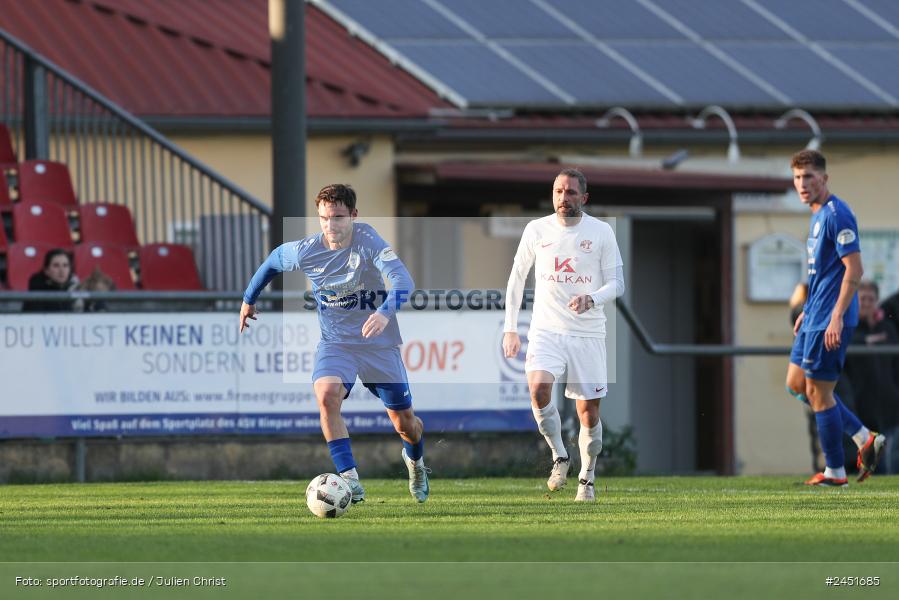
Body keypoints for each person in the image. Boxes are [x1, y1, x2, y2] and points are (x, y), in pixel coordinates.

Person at [239, 183, 429, 503]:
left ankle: (416, 462)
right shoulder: (308, 249)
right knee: (326, 395)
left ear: (353, 215)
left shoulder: (368, 241)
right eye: (325, 218)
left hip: (378, 344)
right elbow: (272, 261)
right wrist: (249, 300)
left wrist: (384, 312)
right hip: (337, 344)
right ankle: (349, 479)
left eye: (339, 217)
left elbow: (403, 280)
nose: (331, 226)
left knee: (406, 424)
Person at [502, 168, 624, 502]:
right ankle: (560, 455)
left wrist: (592, 298)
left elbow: (617, 284)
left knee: (589, 414)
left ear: (583, 198)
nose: (563, 198)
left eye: (570, 192)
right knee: (538, 389)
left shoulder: (601, 232)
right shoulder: (536, 229)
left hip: (587, 334)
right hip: (546, 330)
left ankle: (588, 476)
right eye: (558, 191)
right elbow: (516, 279)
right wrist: (510, 327)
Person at [784, 150, 885, 487]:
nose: (802, 184)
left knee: (820, 393)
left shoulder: (837, 214)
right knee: (797, 384)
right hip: (816, 315)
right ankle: (862, 436)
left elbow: (853, 270)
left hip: (832, 319)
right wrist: (809, 311)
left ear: (824, 179)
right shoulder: (816, 215)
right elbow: (821, 274)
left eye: (809, 176)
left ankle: (835, 471)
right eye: (798, 178)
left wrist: (836, 317)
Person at [844, 280, 899, 474]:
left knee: (891, 464)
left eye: (871, 299)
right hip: (861, 409)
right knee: (867, 467)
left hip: (889, 409)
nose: (866, 303)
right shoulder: (848, 328)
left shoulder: (887, 328)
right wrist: (865, 340)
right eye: (862, 299)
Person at [22, 248, 79, 312]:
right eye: (56, 266)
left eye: (65, 265)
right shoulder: (36, 295)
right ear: (46, 270)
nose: (62, 270)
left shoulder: (75, 291)